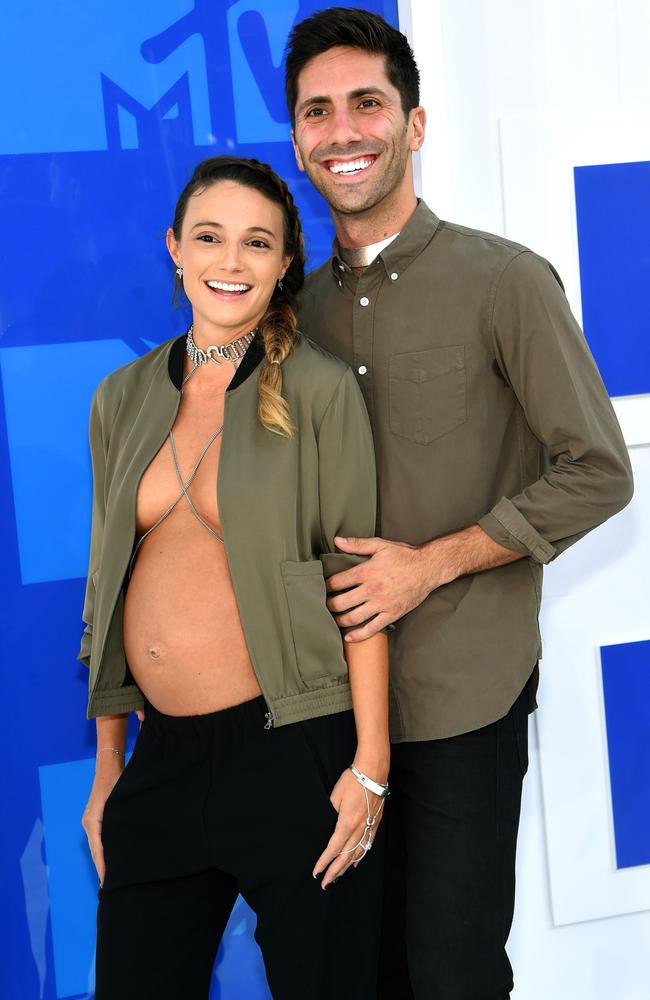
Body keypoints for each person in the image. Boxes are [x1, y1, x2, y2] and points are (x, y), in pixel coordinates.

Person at [285, 9, 634, 999]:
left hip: (460, 696)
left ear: (416, 123)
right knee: (358, 974)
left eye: (366, 104)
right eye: (318, 111)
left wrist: (428, 563)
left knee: (449, 974)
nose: (343, 130)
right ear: (296, 137)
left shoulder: (504, 282)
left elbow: (598, 470)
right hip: (329, 714)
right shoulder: (292, 312)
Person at [78, 155, 390, 1000]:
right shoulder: (120, 397)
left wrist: (369, 766)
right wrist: (110, 767)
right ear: (174, 248)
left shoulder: (320, 391)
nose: (230, 261)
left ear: (287, 262)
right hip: (161, 765)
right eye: (210, 237)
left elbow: (358, 584)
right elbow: (104, 591)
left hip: (295, 753)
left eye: (258, 243)